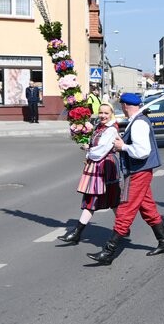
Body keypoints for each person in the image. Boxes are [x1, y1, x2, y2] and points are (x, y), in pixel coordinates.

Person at [87, 93, 164, 265]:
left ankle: (109, 252)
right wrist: (122, 145)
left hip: (138, 171)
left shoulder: (139, 123)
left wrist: (123, 146)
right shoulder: (137, 120)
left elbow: (142, 152)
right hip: (139, 170)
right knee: (147, 208)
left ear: (125, 106)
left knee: (125, 208)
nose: (122, 108)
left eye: (122, 105)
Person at [58, 103, 121, 244]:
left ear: (111, 114)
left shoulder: (111, 129)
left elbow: (101, 150)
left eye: (106, 113)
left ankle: (77, 232)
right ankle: (122, 227)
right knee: (102, 199)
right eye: (101, 112)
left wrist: (89, 150)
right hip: (97, 164)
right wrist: (88, 147)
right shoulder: (99, 126)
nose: (103, 116)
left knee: (107, 199)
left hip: (106, 166)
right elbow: (95, 146)